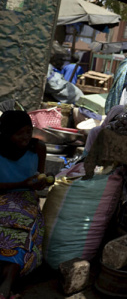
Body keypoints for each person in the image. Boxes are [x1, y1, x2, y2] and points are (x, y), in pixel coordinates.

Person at [0, 111, 49, 299]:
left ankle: (6, 283)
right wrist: (22, 184)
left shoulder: (38, 148)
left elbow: (39, 177)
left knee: (22, 234)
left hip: (25, 201)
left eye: (29, 131)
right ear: (5, 133)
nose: (26, 137)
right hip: (1, 198)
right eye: (20, 133)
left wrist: (40, 183)